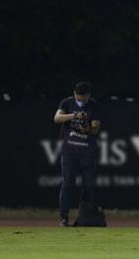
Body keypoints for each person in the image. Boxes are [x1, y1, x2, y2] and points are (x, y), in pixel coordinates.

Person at [53, 81, 102, 227]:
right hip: (69, 151)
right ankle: (63, 217)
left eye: (83, 98)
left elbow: (95, 129)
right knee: (67, 184)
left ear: (89, 95)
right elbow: (57, 118)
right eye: (78, 97)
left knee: (89, 185)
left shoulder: (95, 106)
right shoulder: (67, 103)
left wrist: (86, 127)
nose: (80, 100)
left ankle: (85, 217)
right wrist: (74, 115)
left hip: (87, 152)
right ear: (74, 93)